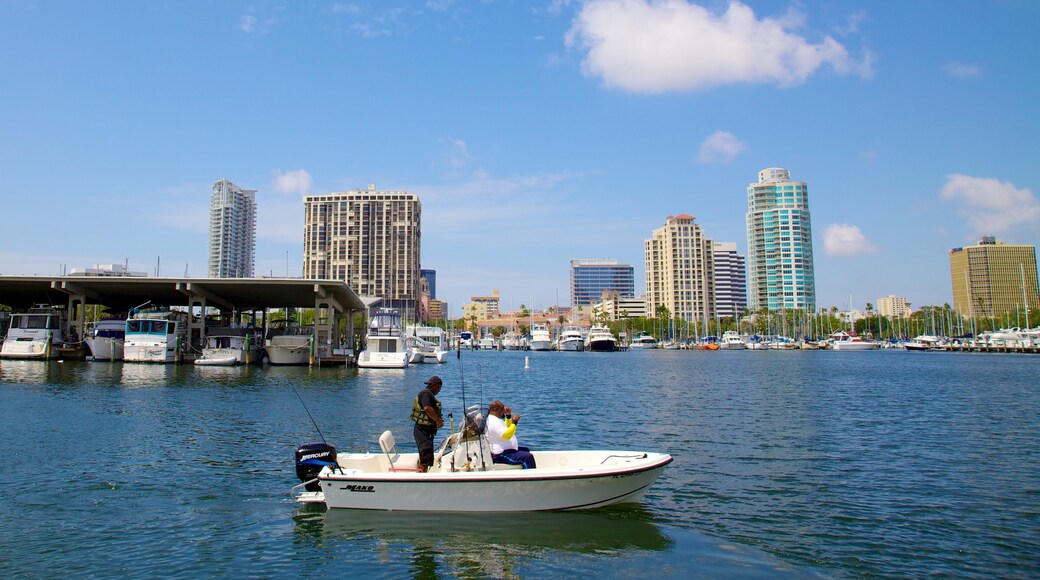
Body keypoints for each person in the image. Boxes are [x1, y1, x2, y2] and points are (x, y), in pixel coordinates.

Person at [485, 400, 536, 469]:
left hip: (506, 450)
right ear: (497, 410)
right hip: (500, 454)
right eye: (502, 409)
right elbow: (507, 435)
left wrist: (508, 416)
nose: (504, 411)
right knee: (528, 457)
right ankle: (529, 475)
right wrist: (514, 422)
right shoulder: (494, 422)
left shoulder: (494, 419)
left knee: (525, 450)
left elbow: (506, 428)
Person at [411, 375, 444, 472]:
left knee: (427, 456)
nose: (439, 390)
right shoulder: (426, 394)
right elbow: (427, 408)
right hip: (422, 431)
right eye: (438, 388)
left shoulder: (428, 394)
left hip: (425, 431)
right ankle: (422, 477)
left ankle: (423, 473)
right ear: (433, 385)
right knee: (425, 457)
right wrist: (437, 420)